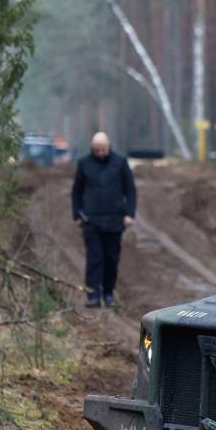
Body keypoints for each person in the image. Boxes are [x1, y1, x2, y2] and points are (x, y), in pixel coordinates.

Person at [71, 132, 137, 309]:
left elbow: (130, 191)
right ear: (92, 149)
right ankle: (93, 295)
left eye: (103, 150)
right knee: (94, 258)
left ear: (109, 147)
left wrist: (129, 214)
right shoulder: (84, 164)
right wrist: (77, 214)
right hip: (91, 221)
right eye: (97, 150)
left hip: (114, 221)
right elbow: (76, 191)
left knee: (111, 259)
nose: (100, 153)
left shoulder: (120, 163)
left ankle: (108, 293)